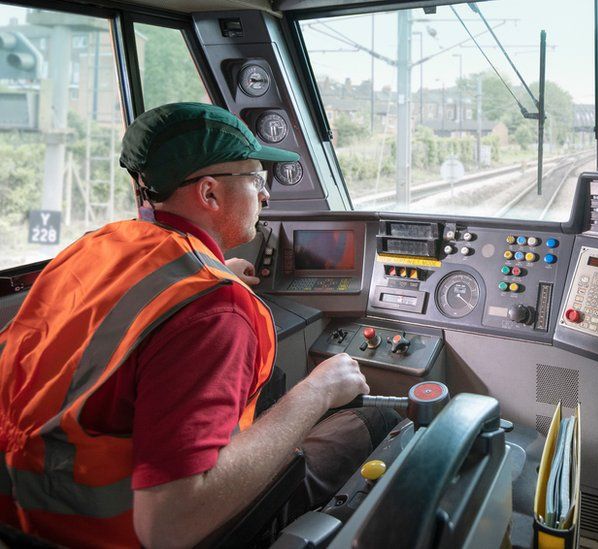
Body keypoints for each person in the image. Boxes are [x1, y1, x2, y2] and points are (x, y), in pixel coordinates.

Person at [0, 103, 395, 547]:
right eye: (257, 179)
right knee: (376, 418)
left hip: (24, 513)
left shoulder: (96, 247)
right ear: (209, 194)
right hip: (117, 533)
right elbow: (167, 528)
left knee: (272, 381)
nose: (265, 196)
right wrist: (318, 392)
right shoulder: (215, 309)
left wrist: (214, 268)